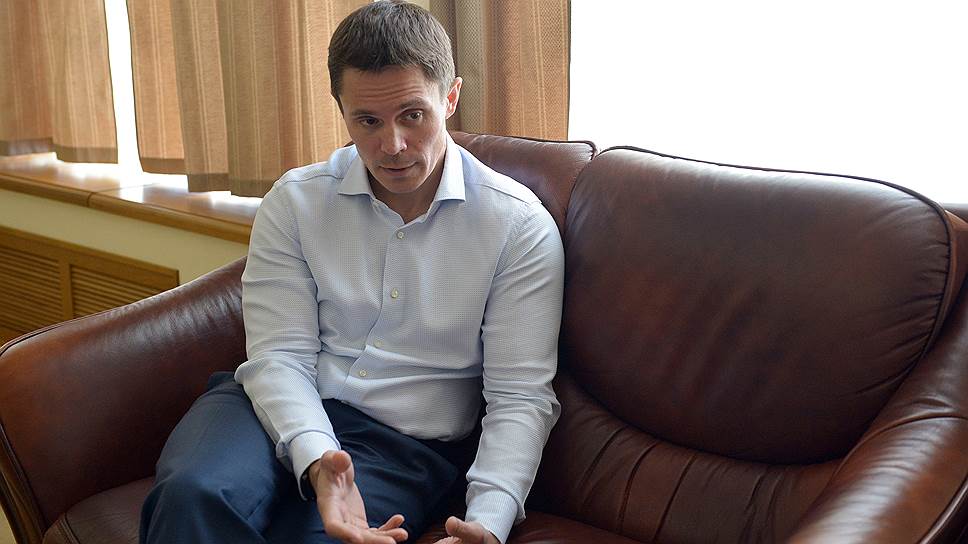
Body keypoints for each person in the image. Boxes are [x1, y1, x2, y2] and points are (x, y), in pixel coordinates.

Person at [139, 1, 564, 543]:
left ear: (451, 97)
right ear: (341, 110)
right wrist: (319, 459)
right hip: (266, 406)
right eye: (368, 121)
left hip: (403, 446)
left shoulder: (517, 226)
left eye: (413, 115)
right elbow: (279, 356)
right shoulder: (295, 201)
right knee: (192, 495)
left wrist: (487, 522)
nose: (393, 145)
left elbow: (520, 396)